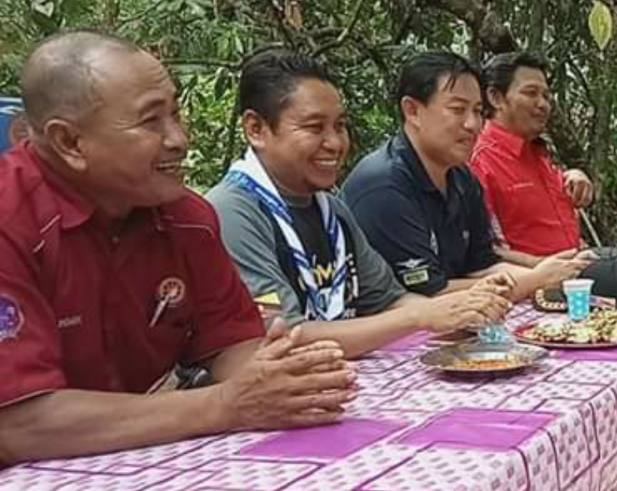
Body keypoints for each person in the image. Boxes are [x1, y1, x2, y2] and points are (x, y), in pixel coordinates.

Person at [0, 32, 355, 465]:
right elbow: (18, 425)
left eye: (177, 113)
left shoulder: (187, 218)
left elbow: (234, 347)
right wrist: (224, 404)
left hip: (129, 472)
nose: (180, 139)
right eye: (151, 121)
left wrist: (282, 378)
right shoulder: (12, 221)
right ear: (70, 142)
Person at [208, 49, 513, 359]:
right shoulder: (232, 212)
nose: (335, 143)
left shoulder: (331, 209)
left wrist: (458, 311)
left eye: (340, 126)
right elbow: (285, 337)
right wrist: (421, 317)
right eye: (315, 127)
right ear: (256, 129)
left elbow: (390, 300)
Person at [342, 51, 589, 298]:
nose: (472, 124)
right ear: (412, 111)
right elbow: (429, 292)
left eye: (478, 111)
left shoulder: (462, 179)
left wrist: (556, 272)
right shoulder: (384, 186)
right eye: (457, 109)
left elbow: (482, 266)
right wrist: (535, 279)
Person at [469, 52, 592, 268]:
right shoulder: (479, 160)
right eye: (531, 93)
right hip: (529, 283)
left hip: (576, 271)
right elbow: (479, 249)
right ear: (495, 97)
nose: (543, 104)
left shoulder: (538, 150)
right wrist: (542, 266)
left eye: (546, 95)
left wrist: (572, 175)